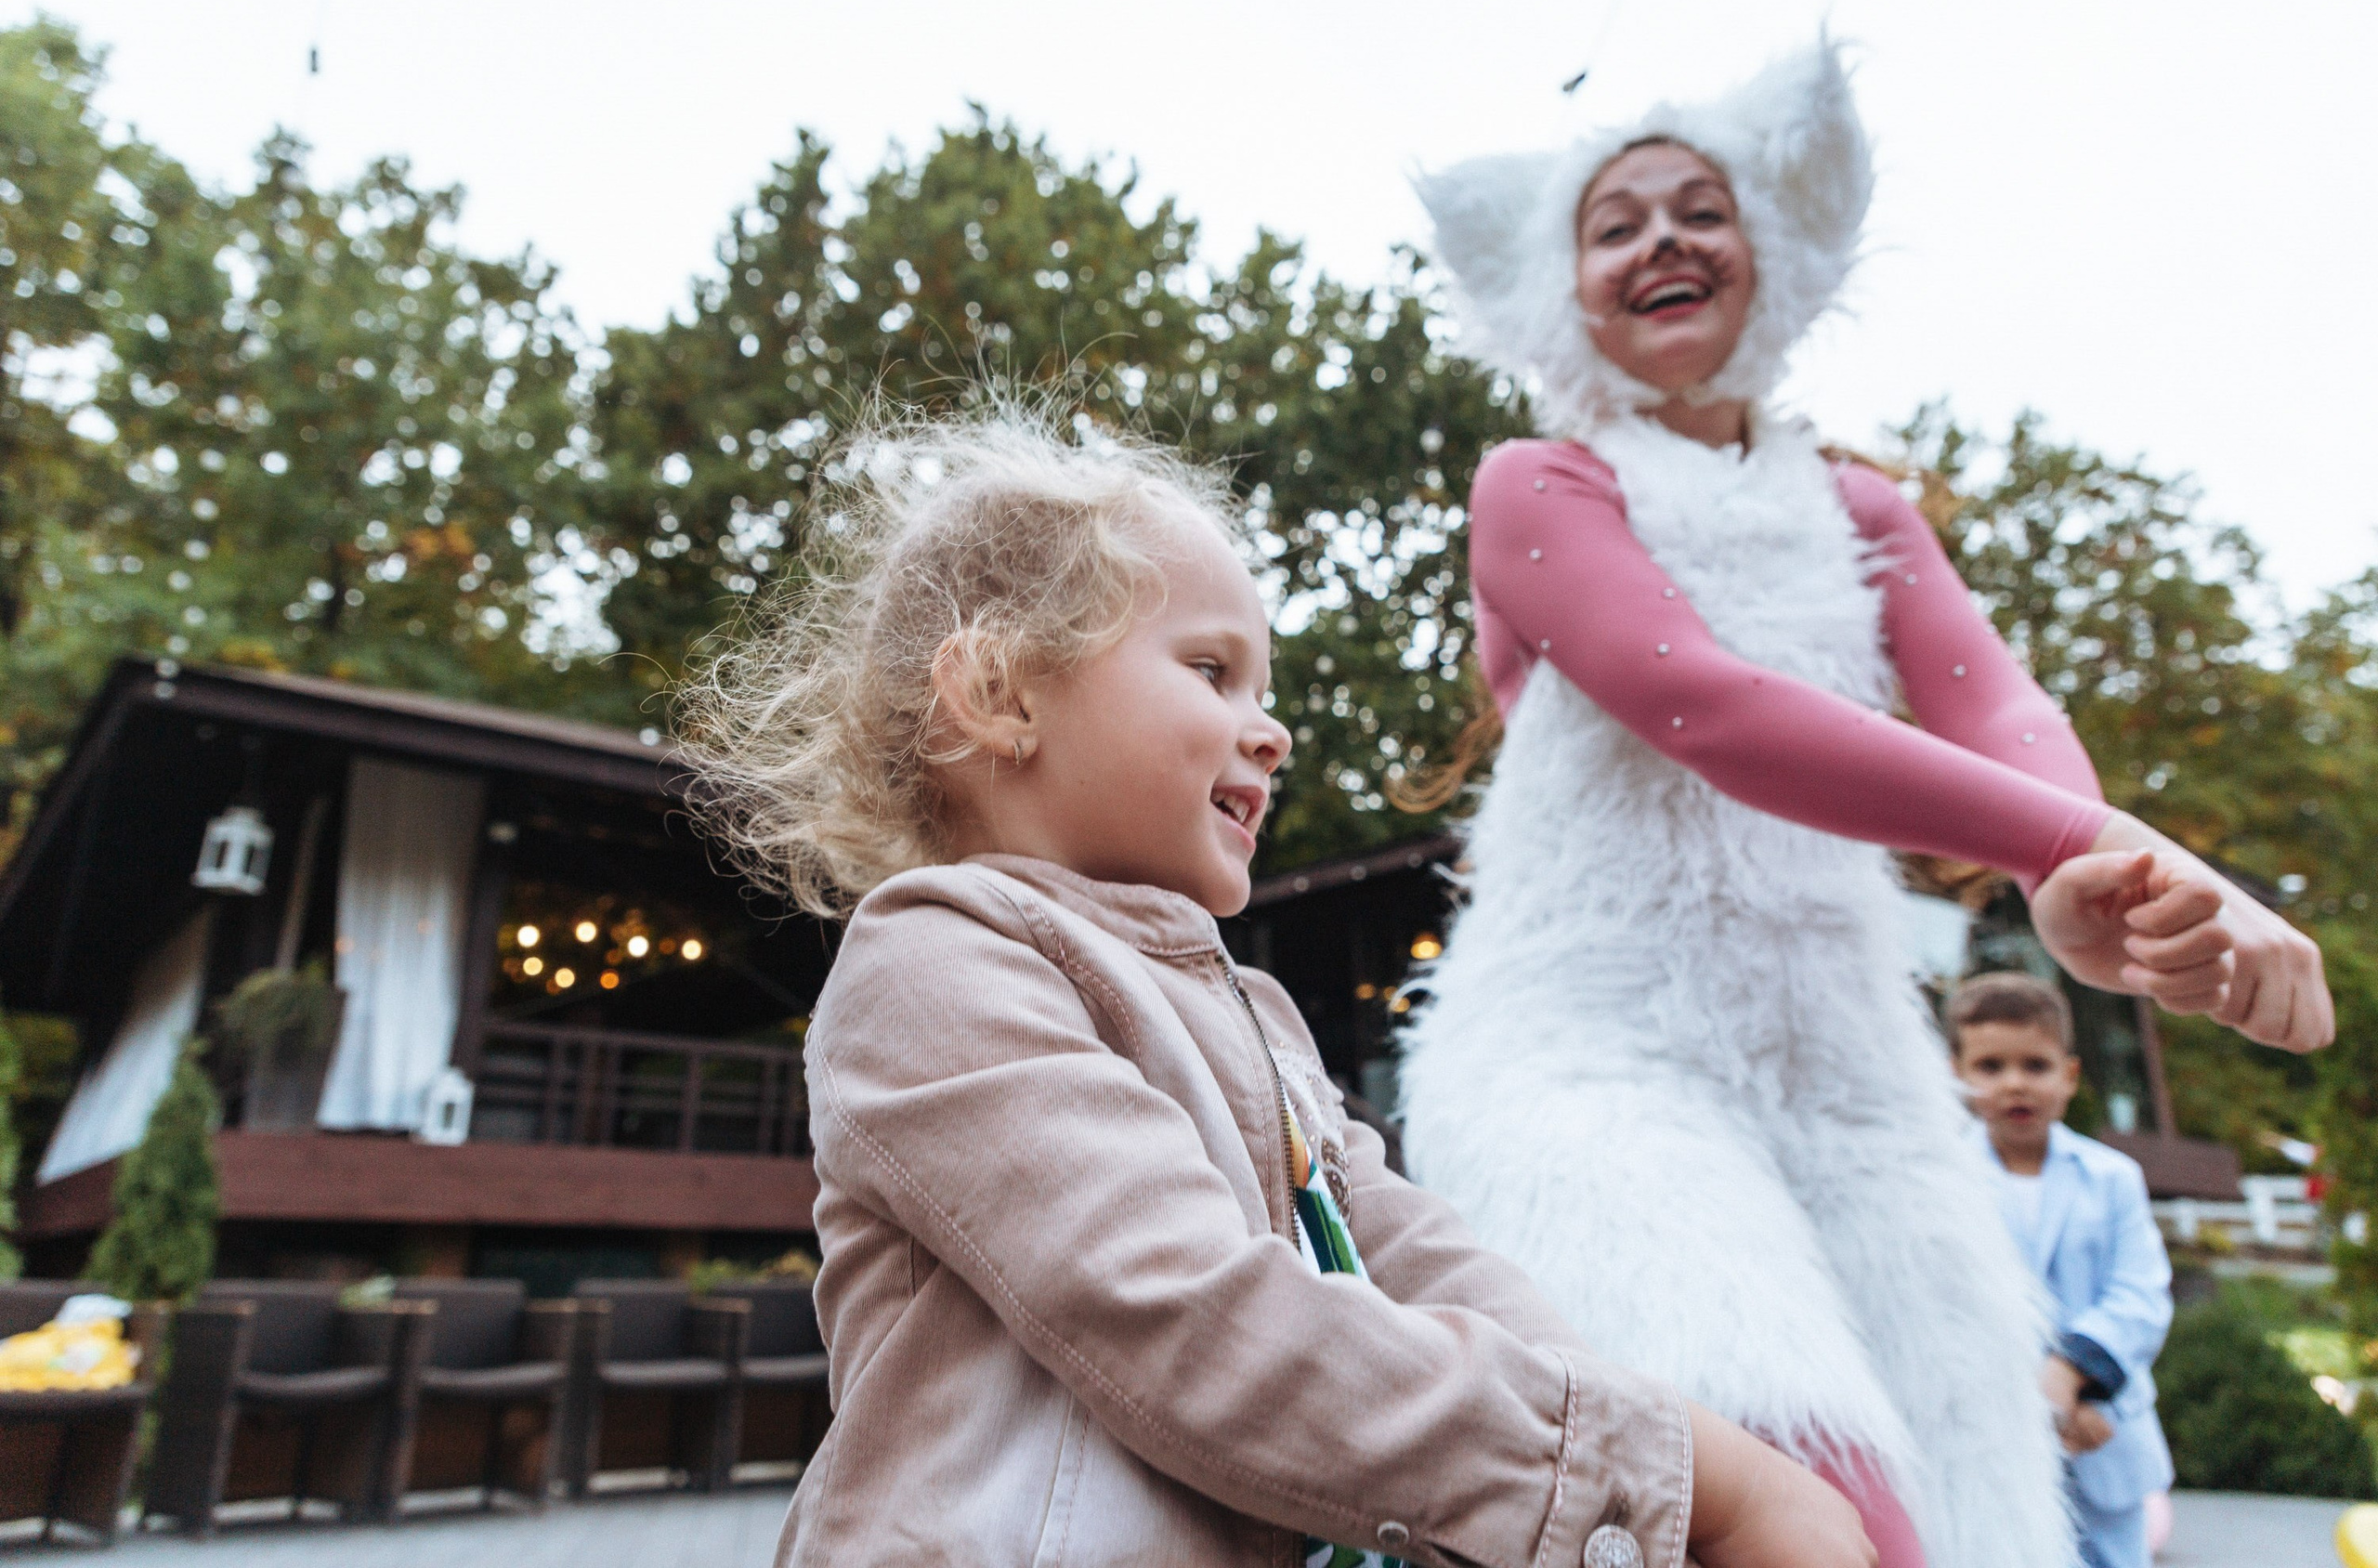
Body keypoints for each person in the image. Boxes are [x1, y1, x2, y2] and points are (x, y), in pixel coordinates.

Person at [1397, 35, 2331, 1568]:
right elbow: (1711, 704)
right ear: (1562, 294)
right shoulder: (1539, 486)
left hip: (1849, 1077)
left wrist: (2084, 872)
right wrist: (2083, 840)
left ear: (1773, 247)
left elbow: (1997, 702)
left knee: (1981, 1509)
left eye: (1699, 208)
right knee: (1810, 1499)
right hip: (1593, 1058)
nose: (1661, 241)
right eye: (1613, 222)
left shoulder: (1862, 504)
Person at [677, 406, 1878, 1568]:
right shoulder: (938, 962)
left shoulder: (1256, 1017)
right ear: (999, 694)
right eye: (1211, 669)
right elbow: (1195, 1317)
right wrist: (1679, 1471)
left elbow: (1424, 1257)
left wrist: (1633, 1452)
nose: (1272, 729)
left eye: (1264, 688)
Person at [1948, 973, 2175, 1568]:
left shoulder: (2112, 1178)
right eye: (1990, 1066)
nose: (2015, 1083)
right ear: (1956, 1072)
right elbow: (1946, 1304)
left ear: (2069, 1076)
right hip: (1991, 1438)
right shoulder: (1942, 1181)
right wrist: (2035, 1405)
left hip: (2103, 1430)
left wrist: (2072, 1378)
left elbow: (2140, 1296)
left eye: (2035, 1065)